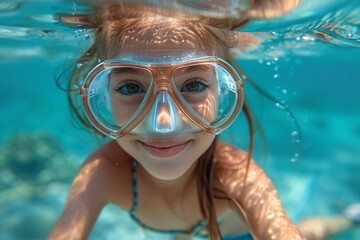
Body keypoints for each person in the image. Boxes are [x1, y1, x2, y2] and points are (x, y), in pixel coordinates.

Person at [49, 2, 358, 240]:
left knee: (312, 232)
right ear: (100, 95)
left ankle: (348, 217)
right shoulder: (101, 174)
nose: (163, 123)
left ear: (225, 90)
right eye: (131, 87)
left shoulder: (238, 176)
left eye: (193, 85)